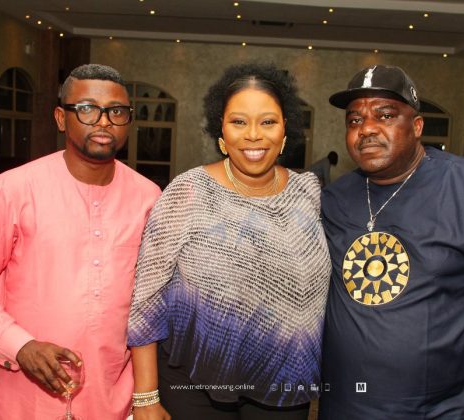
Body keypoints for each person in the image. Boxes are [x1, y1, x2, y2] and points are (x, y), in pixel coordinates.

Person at [319, 65, 464, 419]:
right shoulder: (334, 198)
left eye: (385, 115)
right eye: (355, 120)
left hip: (444, 409)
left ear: (417, 126)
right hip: (346, 406)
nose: (366, 128)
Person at [0, 64, 161, 419]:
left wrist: (146, 396)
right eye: (88, 109)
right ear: (62, 118)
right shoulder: (12, 189)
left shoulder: (149, 198)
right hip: (26, 399)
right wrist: (22, 346)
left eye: (116, 112)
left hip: (113, 400)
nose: (103, 122)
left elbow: (153, 304)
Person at [127, 63, 331, 420]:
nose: (253, 135)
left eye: (267, 122)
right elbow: (147, 297)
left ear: (285, 130)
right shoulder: (187, 192)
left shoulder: (309, 192)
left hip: (283, 386)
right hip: (194, 385)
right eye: (239, 121)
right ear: (221, 130)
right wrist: (145, 396)